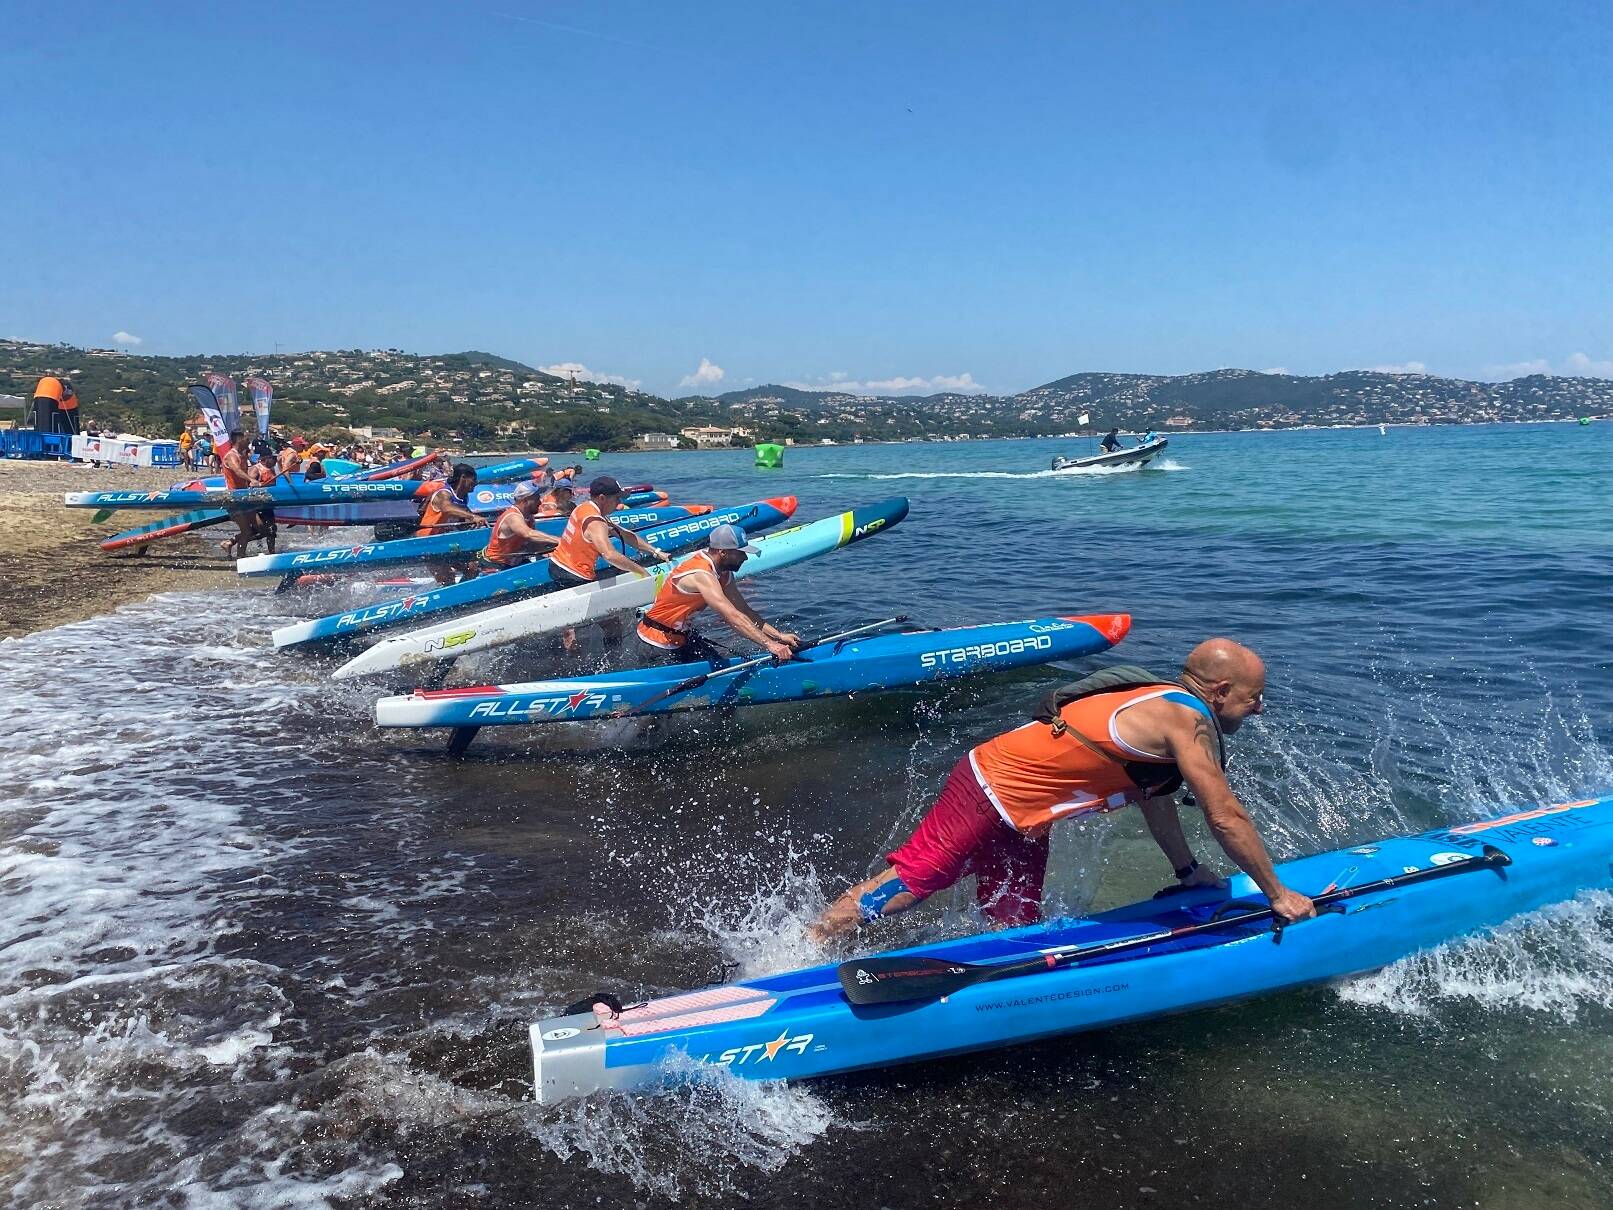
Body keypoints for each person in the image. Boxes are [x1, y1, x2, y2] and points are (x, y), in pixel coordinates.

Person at [809, 639, 1317, 943]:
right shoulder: (1187, 720)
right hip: (990, 786)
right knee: (917, 880)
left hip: (1026, 812)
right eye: (1254, 697)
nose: (1259, 708)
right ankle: (810, 941)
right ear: (1221, 691)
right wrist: (1278, 895)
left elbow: (1155, 798)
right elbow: (1225, 815)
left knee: (1013, 916)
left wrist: (1187, 872)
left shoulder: (1166, 708)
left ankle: (997, 987)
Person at [635, 524, 798, 664]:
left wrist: (778, 636)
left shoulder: (724, 573)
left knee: (722, 666)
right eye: (741, 553)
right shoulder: (701, 574)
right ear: (723, 552)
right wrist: (770, 645)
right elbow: (732, 616)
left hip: (682, 637)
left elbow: (743, 610)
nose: (745, 557)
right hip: (656, 641)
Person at [547, 475, 671, 648]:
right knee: (612, 625)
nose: (619, 503)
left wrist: (656, 552)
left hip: (556, 566)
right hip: (575, 576)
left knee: (571, 625)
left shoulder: (584, 508)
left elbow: (625, 535)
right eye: (617, 498)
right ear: (602, 498)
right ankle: (610, 661)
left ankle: (570, 639)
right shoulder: (596, 522)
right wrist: (641, 572)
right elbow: (610, 555)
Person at [416, 463, 486, 585]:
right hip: (428, 544)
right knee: (447, 579)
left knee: (472, 568)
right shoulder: (443, 494)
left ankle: (463, 593)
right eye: (474, 480)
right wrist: (472, 517)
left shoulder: (463, 497)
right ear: (463, 477)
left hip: (445, 543)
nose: (475, 483)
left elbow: (463, 520)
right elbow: (447, 508)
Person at [476, 481, 560, 574]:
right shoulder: (512, 516)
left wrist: (555, 548)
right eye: (536, 499)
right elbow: (528, 534)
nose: (540, 502)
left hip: (514, 563)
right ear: (525, 500)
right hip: (495, 565)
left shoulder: (529, 517)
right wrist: (560, 541)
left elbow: (532, 545)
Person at [218, 431, 261, 559]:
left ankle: (229, 543)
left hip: (244, 497)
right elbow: (237, 471)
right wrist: (251, 480)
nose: (249, 442)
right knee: (246, 531)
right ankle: (241, 557)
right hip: (233, 498)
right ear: (239, 440)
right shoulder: (231, 456)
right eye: (247, 439)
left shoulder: (242, 456)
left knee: (260, 527)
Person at [248, 445, 280, 553]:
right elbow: (249, 485)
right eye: (272, 458)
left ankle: (272, 552)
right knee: (260, 530)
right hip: (257, 504)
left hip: (268, 504)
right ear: (265, 458)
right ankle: (234, 541)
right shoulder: (256, 469)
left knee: (272, 529)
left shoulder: (271, 469)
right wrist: (257, 484)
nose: (274, 460)